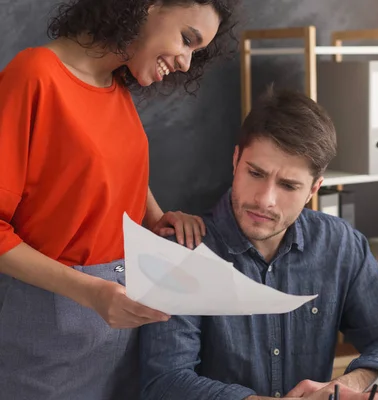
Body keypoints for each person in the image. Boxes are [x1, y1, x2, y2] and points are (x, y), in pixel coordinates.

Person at [0, 0, 238, 399]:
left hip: (122, 330)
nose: (184, 62)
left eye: (195, 52)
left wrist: (155, 218)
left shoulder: (115, 86)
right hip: (49, 334)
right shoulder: (34, 75)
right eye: (186, 39)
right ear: (148, 6)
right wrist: (90, 292)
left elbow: (103, 164)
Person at [139, 87, 378, 400]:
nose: (265, 200)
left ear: (314, 188)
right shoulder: (182, 251)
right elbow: (164, 383)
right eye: (255, 173)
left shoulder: (340, 245)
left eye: (288, 185)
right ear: (236, 160)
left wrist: (347, 386)